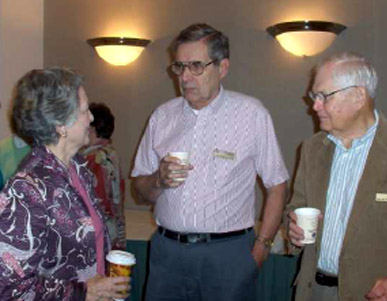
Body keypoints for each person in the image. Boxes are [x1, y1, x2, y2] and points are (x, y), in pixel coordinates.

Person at [132, 23, 289, 300]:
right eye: (179, 66)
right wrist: (158, 180)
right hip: (167, 253)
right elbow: (140, 189)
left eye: (196, 66)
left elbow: (277, 184)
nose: (185, 77)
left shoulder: (251, 114)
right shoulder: (162, 116)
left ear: (223, 67)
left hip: (227, 255)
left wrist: (261, 248)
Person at [286, 52, 387, 301]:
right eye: (314, 96)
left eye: (324, 96)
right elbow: (297, 208)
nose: (315, 105)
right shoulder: (312, 149)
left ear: (358, 96)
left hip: (376, 295)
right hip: (314, 291)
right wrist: (294, 228)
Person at [0, 68, 131, 300]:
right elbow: (10, 288)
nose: (91, 118)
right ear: (60, 124)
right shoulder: (27, 188)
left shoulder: (78, 169)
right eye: (84, 110)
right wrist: (84, 292)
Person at [81, 102, 126, 250]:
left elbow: (92, 203)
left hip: (98, 232)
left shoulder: (93, 160)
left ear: (92, 128)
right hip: (113, 228)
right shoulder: (111, 153)